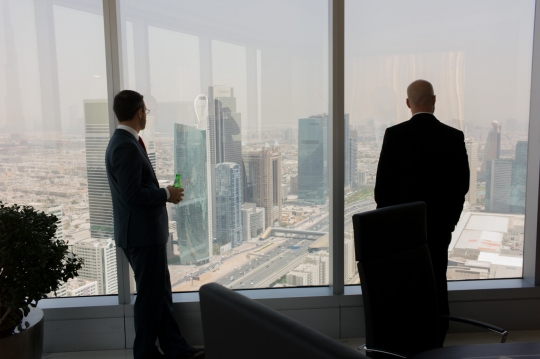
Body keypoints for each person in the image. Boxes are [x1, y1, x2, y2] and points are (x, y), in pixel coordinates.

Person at [105, 90, 205, 359]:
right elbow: (132, 194)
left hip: (145, 233)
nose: (146, 116)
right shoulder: (125, 145)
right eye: (146, 111)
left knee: (160, 294)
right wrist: (166, 194)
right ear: (140, 112)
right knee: (150, 299)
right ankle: (146, 354)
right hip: (141, 235)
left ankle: (175, 348)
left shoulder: (127, 141)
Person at [374, 80, 470, 346]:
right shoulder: (453, 136)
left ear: (408, 103)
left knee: (404, 283)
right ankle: (437, 339)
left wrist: (390, 224)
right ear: (434, 99)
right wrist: (450, 223)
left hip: (402, 228)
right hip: (439, 227)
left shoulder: (394, 135)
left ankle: (406, 338)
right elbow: (461, 186)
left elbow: (382, 190)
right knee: (437, 280)